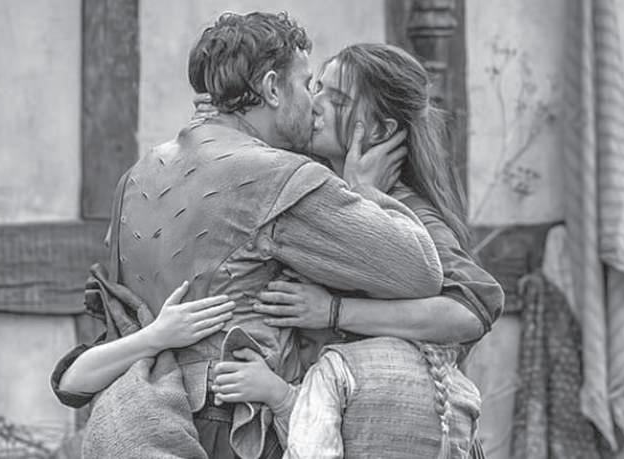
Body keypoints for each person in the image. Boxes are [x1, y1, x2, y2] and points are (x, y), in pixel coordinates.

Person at [52, 12, 450, 459]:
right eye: (306, 85)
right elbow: (420, 270)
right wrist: (365, 189)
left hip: (149, 420)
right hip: (239, 426)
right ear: (273, 88)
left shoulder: (135, 176)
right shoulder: (279, 177)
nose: (313, 103)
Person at [208, 43, 504, 458]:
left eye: (338, 101)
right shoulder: (309, 182)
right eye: (318, 88)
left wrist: (332, 311)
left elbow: (470, 309)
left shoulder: (410, 212)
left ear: (380, 130)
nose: (315, 104)